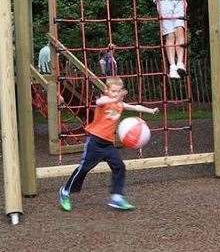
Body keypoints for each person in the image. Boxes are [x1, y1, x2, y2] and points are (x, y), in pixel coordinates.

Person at [58, 77, 159, 211]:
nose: (116, 94)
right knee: (83, 169)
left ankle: (117, 197)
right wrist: (115, 99)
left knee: (119, 167)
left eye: (118, 91)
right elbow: (100, 100)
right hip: (94, 142)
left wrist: (151, 111)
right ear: (106, 91)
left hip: (108, 145)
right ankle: (64, 192)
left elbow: (135, 107)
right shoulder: (104, 101)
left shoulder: (119, 105)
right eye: (113, 91)